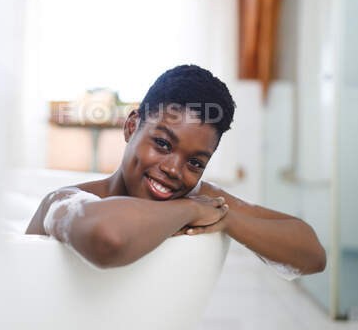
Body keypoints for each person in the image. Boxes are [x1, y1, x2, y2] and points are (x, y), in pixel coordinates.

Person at [26, 64, 326, 275]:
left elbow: (312, 253)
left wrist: (228, 218)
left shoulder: (200, 199)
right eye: (162, 143)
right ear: (131, 127)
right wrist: (191, 211)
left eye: (195, 163)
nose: (172, 169)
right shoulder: (64, 201)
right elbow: (109, 239)